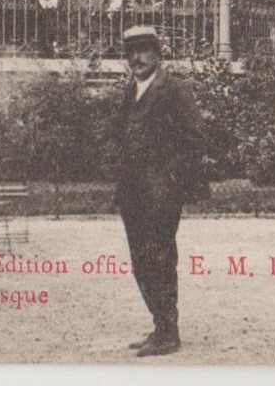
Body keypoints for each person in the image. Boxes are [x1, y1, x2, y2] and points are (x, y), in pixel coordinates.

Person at [113, 25, 207, 357]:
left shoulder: (174, 90)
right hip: (133, 195)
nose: (135, 58)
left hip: (161, 195)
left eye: (143, 50)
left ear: (157, 53)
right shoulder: (130, 91)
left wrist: (168, 183)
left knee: (160, 258)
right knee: (141, 260)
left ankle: (169, 334)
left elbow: (194, 141)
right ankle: (159, 324)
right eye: (130, 52)